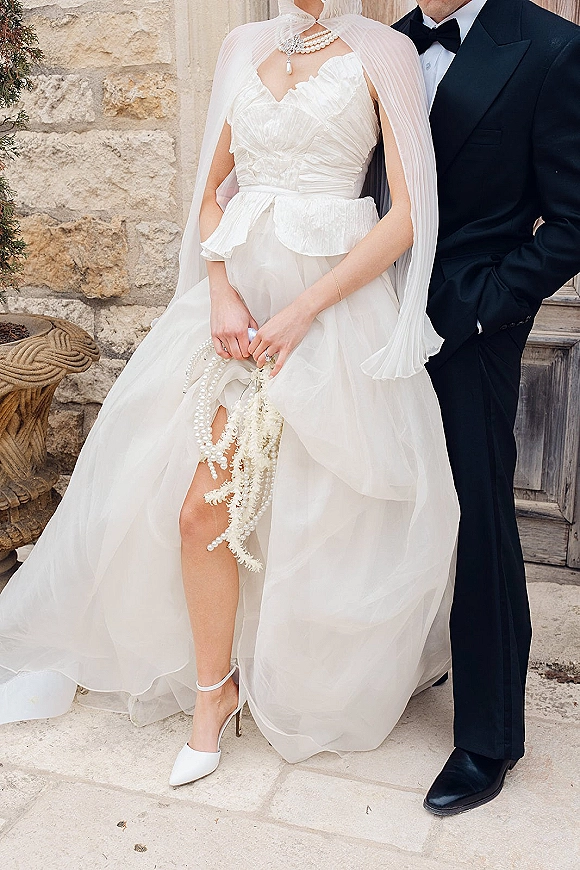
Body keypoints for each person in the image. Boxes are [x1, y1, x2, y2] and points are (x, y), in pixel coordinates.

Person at [0, 0, 459, 790]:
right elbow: (213, 190)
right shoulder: (244, 43)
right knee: (200, 508)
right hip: (234, 316)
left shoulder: (384, 52)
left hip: (330, 315)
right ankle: (215, 694)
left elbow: (410, 215)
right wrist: (219, 290)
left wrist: (305, 312)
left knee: (311, 513)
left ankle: (285, 671)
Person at [365, 0, 580, 816]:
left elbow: (571, 223)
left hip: (465, 327)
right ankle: (396, 665)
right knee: (378, 496)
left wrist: (485, 306)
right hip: (366, 314)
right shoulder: (383, 46)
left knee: (478, 517)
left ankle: (488, 737)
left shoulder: (552, 50)